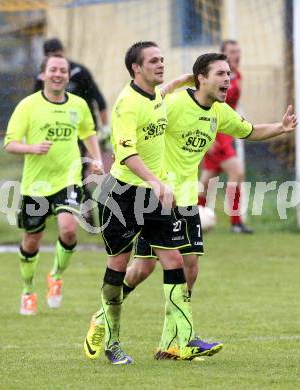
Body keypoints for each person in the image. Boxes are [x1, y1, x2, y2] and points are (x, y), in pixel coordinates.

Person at [85, 52, 298, 360]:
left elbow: (249, 130)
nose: (228, 79)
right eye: (221, 74)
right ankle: (104, 318)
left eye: (229, 74)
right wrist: (113, 166)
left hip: (186, 198)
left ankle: (172, 342)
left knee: (189, 267)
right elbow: (141, 129)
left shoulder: (219, 112)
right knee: (143, 268)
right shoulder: (172, 104)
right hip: (156, 194)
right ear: (203, 78)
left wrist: (280, 127)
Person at [83, 42, 221, 366]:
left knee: (175, 263)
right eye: (154, 61)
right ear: (136, 68)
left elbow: (169, 87)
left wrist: (191, 78)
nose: (161, 64)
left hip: (155, 196)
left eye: (162, 59)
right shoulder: (126, 104)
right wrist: (157, 182)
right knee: (118, 266)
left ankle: (182, 340)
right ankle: (111, 339)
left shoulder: (156, 93)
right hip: (123, 194)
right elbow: (127, 154)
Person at [5, 54, 104, 315]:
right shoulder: (28, 106)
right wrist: (32, 147)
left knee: (69, 230)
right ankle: (28, 290)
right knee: (31, 241)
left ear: (68, 76)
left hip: (68, 179)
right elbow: (10, 143)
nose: (58, 74)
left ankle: (56, 276)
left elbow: (88, 133)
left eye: (63, 70)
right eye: (53, 70)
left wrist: (95, 159)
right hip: (35, 186)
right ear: (43, 75)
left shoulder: (79, 105)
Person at [34, 38, 109, 227]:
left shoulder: (79, 72)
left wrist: (105, 129)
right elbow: (35, 105)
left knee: (77, 172)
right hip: (53, 134)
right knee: (54, 172)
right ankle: (54, 212)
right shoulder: (41, 77)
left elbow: (99, 101)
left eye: (58, 54)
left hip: (80, 133)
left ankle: (88, 213)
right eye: (50, 57)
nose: (56, 63)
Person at [198, 39, 252, 233]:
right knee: (236, 172)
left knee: (207, 180)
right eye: (231, 52)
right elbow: (210, 105)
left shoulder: (237, 75)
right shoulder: (217, 79)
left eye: (238, 51)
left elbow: (232, 106)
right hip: (215, 133)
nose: (236, 55)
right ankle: (236, 222)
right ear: (223, 55)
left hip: (227, 132)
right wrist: (208, 137)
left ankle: (193, 216)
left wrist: (238, 121)